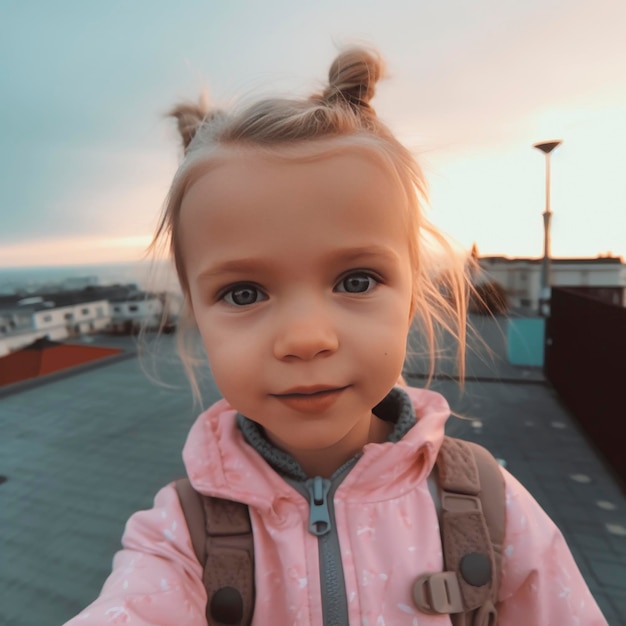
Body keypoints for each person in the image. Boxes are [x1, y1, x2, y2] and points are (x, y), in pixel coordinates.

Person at [64, 47, 607, 625]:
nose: (305, 339)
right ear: (194, 308)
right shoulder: (180, 537)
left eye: (356, 280)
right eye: (244, 292)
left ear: (413, 293)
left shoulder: (489, 507)